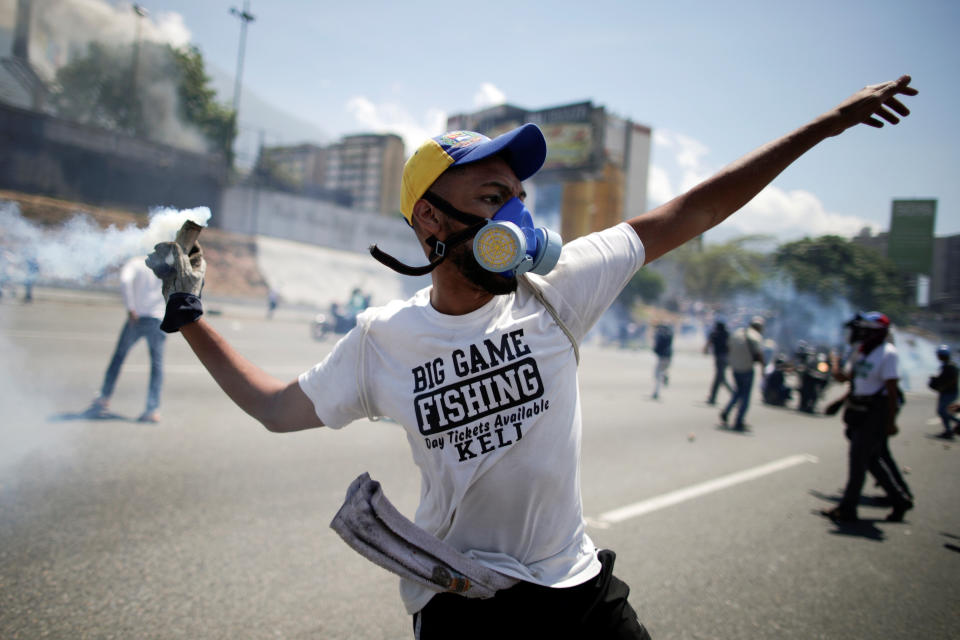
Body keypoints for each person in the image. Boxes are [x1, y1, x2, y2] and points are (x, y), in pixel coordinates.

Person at [147, 77, 916, 638]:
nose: (514, 214)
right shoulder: (384, 339)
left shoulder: (558, 290)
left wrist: (824, 128)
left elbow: (695, 208)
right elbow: (276, 408)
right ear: (428, 221)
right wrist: (188, 315)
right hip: (465, 608)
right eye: (491, 197)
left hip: (579, 591)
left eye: (518, 198)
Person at [822, 312, 913, 523]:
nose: (860, 333)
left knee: (858, 460)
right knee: (871, 460)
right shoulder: (861, 351)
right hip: (859, 410)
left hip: (876, 413)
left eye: (865, 330)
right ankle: (900, 500)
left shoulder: (887, 354)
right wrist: (835, 365)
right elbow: (849, 380)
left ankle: (848, 508)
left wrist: (891, 422)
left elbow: (891, 391)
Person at [86, 255, 166, 423]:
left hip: (136, 318)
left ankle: (104, 397)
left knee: (119, 357)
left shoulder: (136, 263)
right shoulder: (167, 266)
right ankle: (153, 409)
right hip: (158, 318)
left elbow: (124, 281)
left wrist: (131, 308)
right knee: (157, 366)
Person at [720, 316, 765, 431]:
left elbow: (728, 347)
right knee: (745, 396)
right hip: (747, 369)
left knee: (738, 392)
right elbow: (759, 355)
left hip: (735, 368)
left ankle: (726, 411)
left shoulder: (737, 333)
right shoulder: (755, 337)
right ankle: (738, 421)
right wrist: (763, 368)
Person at [929, 344, 959, 439]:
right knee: (942, 411)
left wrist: (943, 387)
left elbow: (952, 380)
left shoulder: (950, 366)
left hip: (949, 393)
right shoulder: (946, 366)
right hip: (946, 392)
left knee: (943, 411)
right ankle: (948, 431)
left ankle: (952, 428)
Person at [704, 318, 732, 404]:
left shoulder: (714, 334)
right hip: (725, 358)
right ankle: (713, 397)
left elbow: (708, 344)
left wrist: (705, 350)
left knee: (721, 378)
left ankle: (735, 395)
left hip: (719, 358)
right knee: (718, 378)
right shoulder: (727, 334)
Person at [651, 323, 674, 400]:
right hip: (669, 356)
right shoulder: (670, 334)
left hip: (662, 357)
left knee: (657, 375)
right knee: (661, 373)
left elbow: (657, 347)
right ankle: (665, 376)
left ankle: (656, 392)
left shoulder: (660, 335)